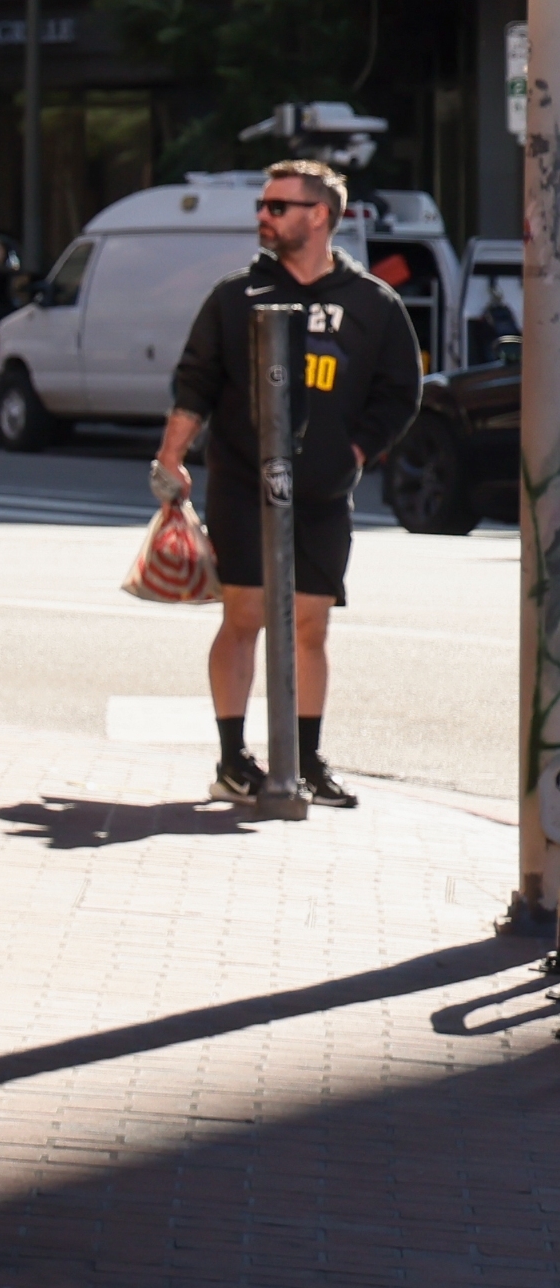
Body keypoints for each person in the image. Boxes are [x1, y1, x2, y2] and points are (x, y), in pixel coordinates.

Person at [154, 157, 423, 812]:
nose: (263, 217)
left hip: (324, 492)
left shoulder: (370, 303)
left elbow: (401, 391)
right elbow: (195, 382)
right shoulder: (234, 296)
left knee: (309, 624)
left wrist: (356, 449)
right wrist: (172, 456)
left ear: (320, 216)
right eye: (263, 206)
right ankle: (232, 758)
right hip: (245, 483)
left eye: (278, 206)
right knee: (244, 615)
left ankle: (304, 759)